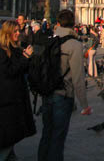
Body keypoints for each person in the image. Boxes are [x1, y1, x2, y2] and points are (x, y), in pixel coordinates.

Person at [38, 10, 92, 161]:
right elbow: (78, 78)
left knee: (46, 134)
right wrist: (84, 104)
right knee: (57, 138)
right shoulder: (74, 44)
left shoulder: (49, 39)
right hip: (63, 95)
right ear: (74, 24)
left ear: (58, 23)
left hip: (46, 93)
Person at [0, 20, 35, 160]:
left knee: (11, 135)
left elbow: (22, 69)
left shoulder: (14, 48)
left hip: (16, 97)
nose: (18, 34)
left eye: (18, 31)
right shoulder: (2, 51)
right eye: (14, 31)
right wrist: (25, 57)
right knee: (7, 135)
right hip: (6, 99)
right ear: (7, 33)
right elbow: (9, 71)